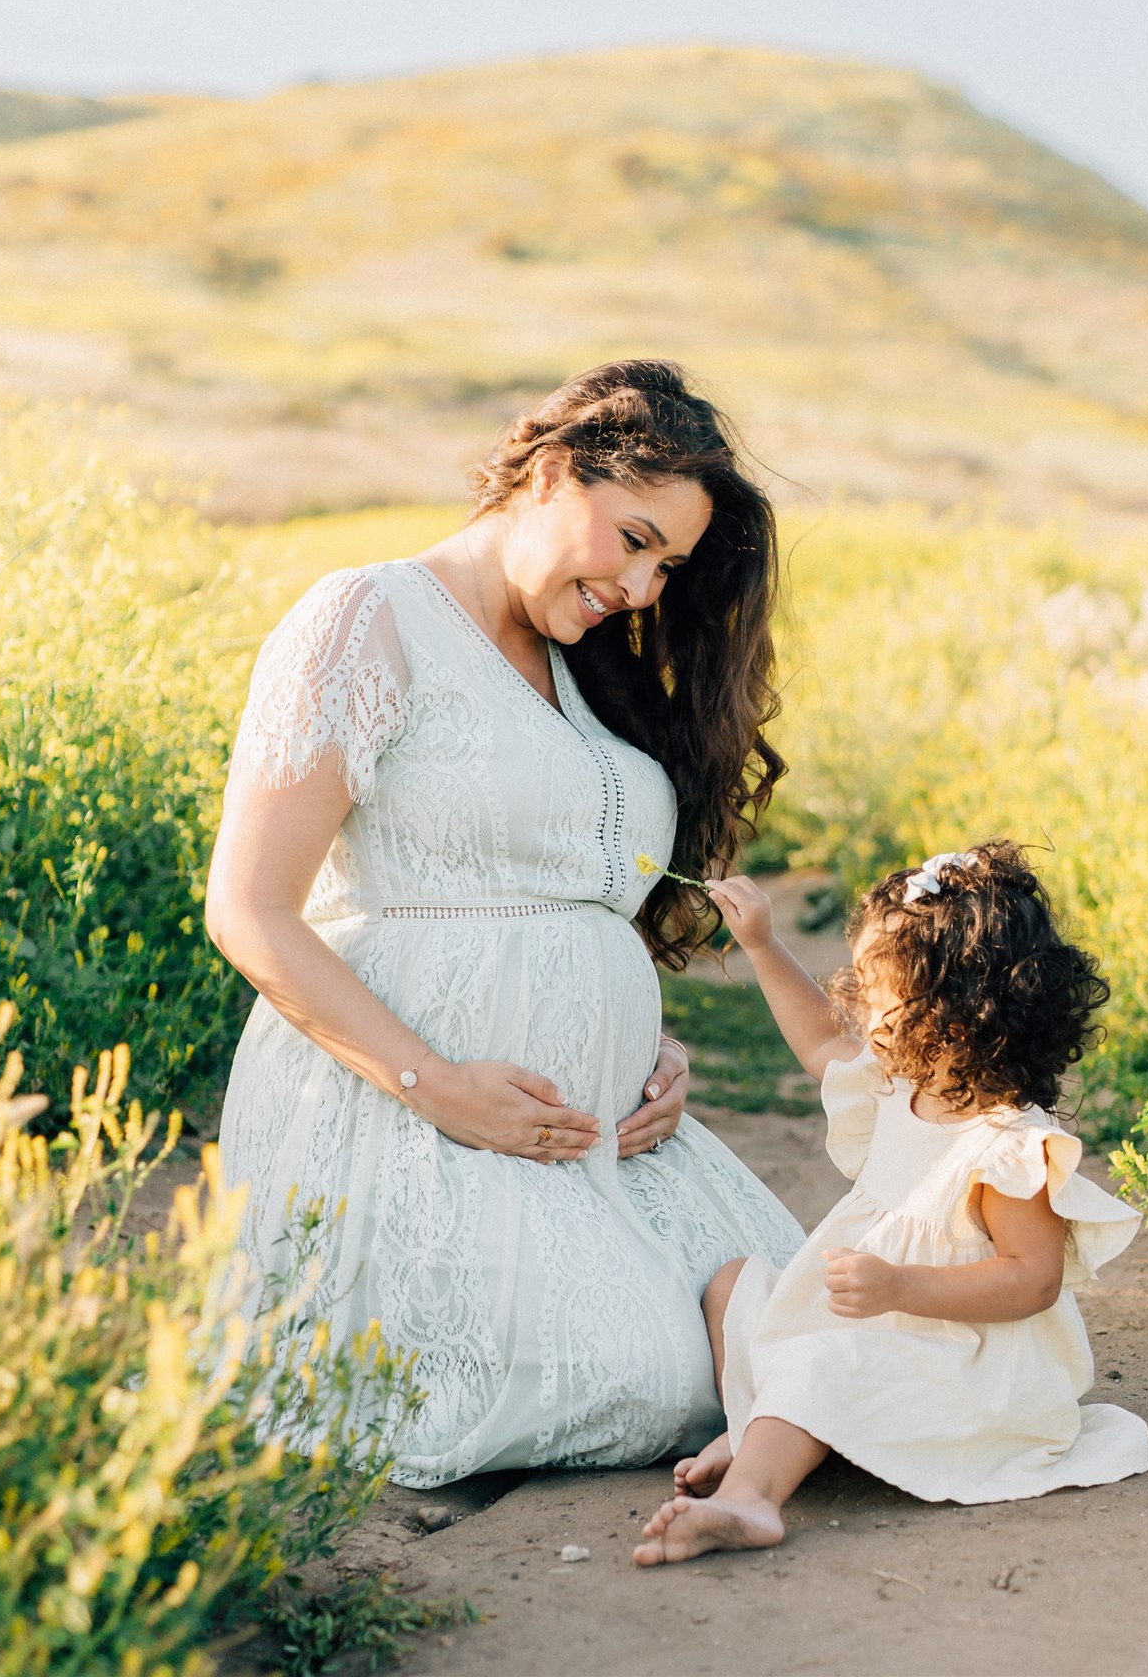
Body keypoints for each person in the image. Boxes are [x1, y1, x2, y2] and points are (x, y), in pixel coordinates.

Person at [204, 360, 804, 1485]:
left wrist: (646, 1047)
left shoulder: (586, 669)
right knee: (652, 1368)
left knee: (809, 1321)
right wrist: (438, 1082)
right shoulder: (365, 619)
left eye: (666, 566)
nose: (642, 588)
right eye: (634, 540)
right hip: (407, 1123)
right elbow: (247, 909)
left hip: (605, 1145)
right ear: (551, 468)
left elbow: (571, 901)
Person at [633, 842, 1148, 1565]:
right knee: (733, 1287)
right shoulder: (899, 1082)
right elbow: (817, 1036)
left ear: (963, 1011)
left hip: (958, 1358)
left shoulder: (1006, 1145)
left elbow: (1033, 1278)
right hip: (868, 1321)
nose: (862, 1008)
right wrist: (760, 943)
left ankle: (751, 1497)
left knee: (827, 1360)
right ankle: (765, 1422)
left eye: (884, 996)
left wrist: (900, 1287)